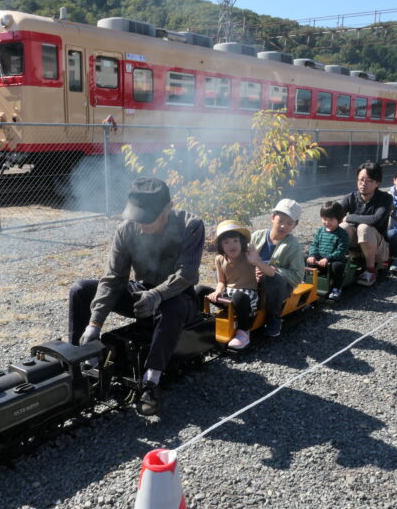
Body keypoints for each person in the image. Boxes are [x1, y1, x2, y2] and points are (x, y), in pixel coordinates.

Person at [67, 177, 204, 416]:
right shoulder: (127, 229)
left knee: (171, 307)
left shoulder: (190, 225)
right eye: (136, 218)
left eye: (146, 220)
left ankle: (151, 382)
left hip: (179, 298)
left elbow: (188, 274)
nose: (140, 226)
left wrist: (157, 295)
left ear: (168, 208)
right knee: (80, 290)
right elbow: (114, 277)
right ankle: (79, 362)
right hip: (140, 292)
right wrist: (95, 322)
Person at [246, 199, 304, 338]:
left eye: (289, 223)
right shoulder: (256, 236)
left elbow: (297, 276)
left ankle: (274, 317)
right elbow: (244, 259)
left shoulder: (293, 246)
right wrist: (252, 270)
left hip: (279, 286)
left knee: (272, 278)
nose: (283, 226)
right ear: (272, 218)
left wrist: (271, 269)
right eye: (280, 220)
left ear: (295, 225)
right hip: (252, 280)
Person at [339, 161, 393, 287]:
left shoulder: (385, 199)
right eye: (361, 180)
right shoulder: (350, 197)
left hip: (379, 251)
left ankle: (370, 270)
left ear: (377, 183)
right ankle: (339, 264)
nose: (363, 184)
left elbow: (376, 219)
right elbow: (336, 215)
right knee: (343, 227)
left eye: (369, 181)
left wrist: (350, 217)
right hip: (356, 248)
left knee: (364, 228)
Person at [208, 220, 258, 350]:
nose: (232, 245)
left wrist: (257, 261)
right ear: (221, 246)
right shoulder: (219, 259)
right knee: (200, 290)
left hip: (246, 296)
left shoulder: (248, 255)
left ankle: (243, 331)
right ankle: (199, 323)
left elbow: (260, 266)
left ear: (241, 242)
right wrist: (217, 291)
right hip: (228, 294)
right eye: (226, 242)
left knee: (239, 297)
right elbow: (221, 281)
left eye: (235, 240)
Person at [306, 201, 349, 301]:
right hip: (320, 260)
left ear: (339, 219)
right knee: (306, 260)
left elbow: (341, 250)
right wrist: (312, 255)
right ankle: (308, 284)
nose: (327, 222)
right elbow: (314, 244)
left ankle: (336, 288)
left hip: (334, 260)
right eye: (324, 219)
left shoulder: (342, 234)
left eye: (331, 219)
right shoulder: (320, 231)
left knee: (337, 266)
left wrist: (328, 258)